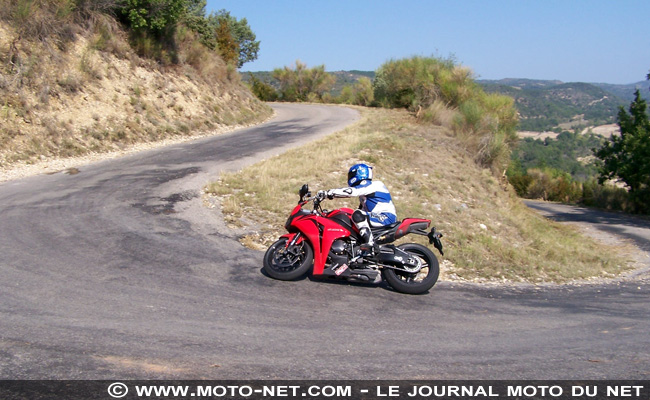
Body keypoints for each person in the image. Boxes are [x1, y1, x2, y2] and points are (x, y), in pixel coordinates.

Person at [320, 163, 397, 256]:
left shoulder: (374, 185)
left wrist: (329, 192)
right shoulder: (364, 194)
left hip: (385, 217)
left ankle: (370, 245)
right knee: (351, 216)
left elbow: (352, 192)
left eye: (351, 175)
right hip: (377, 217)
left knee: (357, 214)